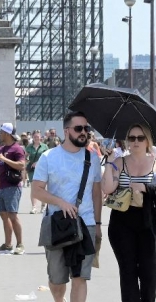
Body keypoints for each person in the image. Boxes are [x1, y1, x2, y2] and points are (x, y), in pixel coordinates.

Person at [31, 111, 102, 302]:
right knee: (57, 279)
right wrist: (61, 202)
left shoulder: (92, 158)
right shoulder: (48, 157)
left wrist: (97, 224)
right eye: (79, 128)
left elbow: (97, 193)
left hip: (85, 224)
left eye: (86, 129)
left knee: (80, 277)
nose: (83, 133)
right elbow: (36, 191)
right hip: (57, 224)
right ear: (66, 131)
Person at [100, 123, 156, 302]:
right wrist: (109, 164)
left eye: (140, 138)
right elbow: (108, 188)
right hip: (122, 223)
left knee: (149, 275)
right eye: (131, 138)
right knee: (128, 274)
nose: (135, 142)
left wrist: (146, 188)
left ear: (147, 141)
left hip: (149, 223)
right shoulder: (119, 162)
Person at [0, 123, 26, 255]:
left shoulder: (17, 149)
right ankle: (7, 244)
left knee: (13, 215)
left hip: (12, 186)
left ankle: (20, 244)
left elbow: (21, 165)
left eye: (1, 132)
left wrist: (4, 159)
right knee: (4, 215)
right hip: (0, 186)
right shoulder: (0, 149)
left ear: (7, 133)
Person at [25, 130, 48, 213]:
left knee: (42, 187)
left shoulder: (44, 147)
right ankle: (34, 207)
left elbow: (47, 158)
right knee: (33, 187)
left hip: (42, 169)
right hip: (32, 170)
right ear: (32, 137)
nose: (36, 138)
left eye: (38, 137)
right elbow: (25, 157)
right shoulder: (29, 147)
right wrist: (27, 161)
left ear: (40, 137)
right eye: (35, 137)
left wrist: (38, 163)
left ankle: (43, 205)